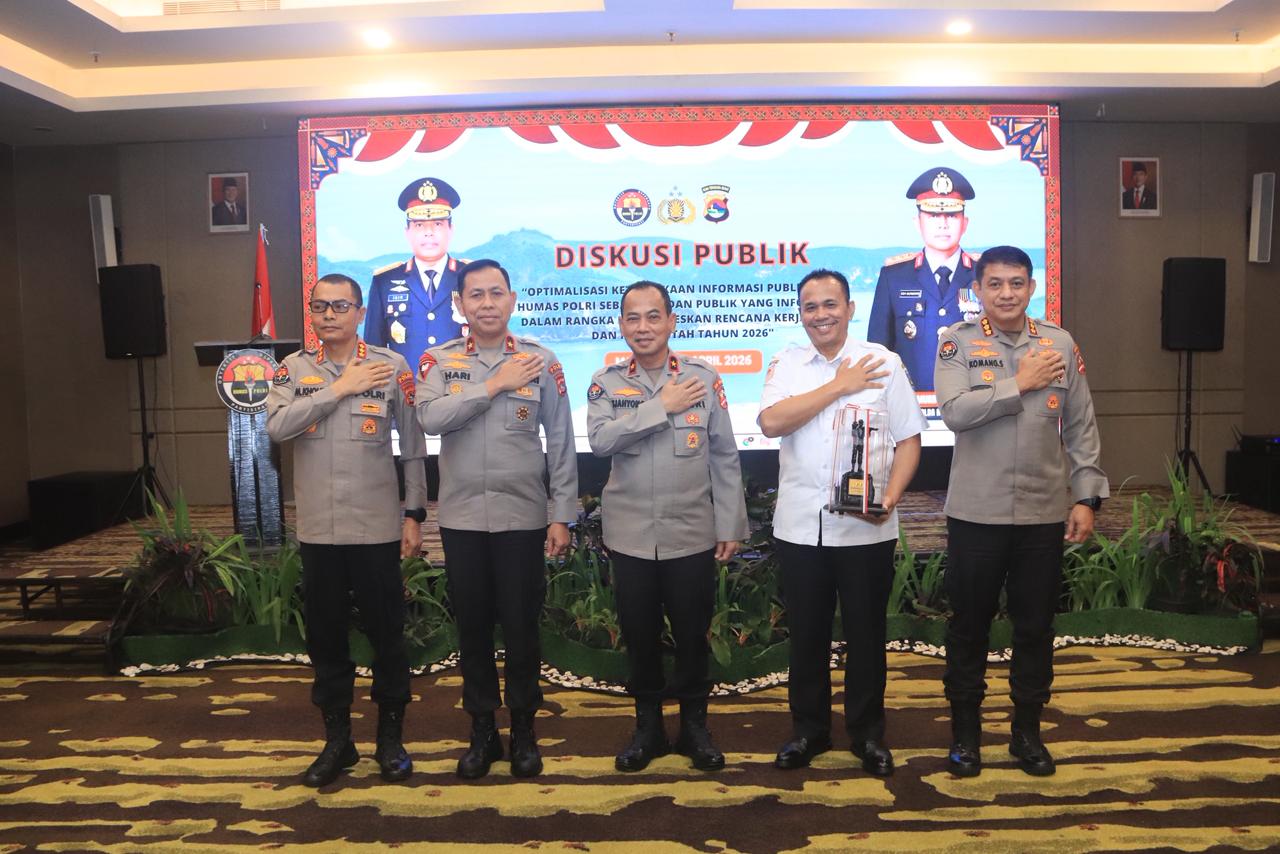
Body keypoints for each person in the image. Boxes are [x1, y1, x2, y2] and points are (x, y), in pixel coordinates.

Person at [934, 245, 1108, 778]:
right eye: (995, 284)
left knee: (1035, 627)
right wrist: (1021, 384)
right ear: (978, 290)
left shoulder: (1059, 343)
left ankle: (1027, 734)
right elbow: (955, 412)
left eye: (1016, 283)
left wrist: (1086, 496)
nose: (1006, 293)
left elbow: (1080, 425)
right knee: (969, 627)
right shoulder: (957, 342)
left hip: (1041, 512)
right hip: (976, 514)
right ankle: (965, 735)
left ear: (1032, 287)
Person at [758, 269, 927, 777]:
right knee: (806, 636)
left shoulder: (883, 362)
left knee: (866, 636)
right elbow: (771, 422)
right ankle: (808, 731)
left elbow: (909, 440)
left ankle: (867, 734)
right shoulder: (787, 363)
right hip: (800, 527)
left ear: (850, 309)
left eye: (830, 304)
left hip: (865, 529)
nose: (821, 315)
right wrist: (839, 386)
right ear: (801, 314)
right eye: (810, 307)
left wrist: (891, 497)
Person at [416, 258, 577, 780]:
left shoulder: (541, 361)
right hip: (462, 519)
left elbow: (561, 443)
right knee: (474, 629)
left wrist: (561, 514)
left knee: (522, 628)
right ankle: (483, 730)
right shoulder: (438, 361)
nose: (486, 303)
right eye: (475, 295)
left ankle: (524, 729)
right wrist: (492, 386)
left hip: (522, 518)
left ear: (512, 300)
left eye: (495, 293)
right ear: (459, 304)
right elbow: (429, 417)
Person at [265, 272, 426, 788]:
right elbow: (277, 427)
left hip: (376, 529)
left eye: (340, 306)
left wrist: (414, 514)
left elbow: (413, 447)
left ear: (359, 312)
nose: (329, 315)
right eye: (320, 307)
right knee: (326, 640)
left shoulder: (391, 366)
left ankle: (390, 740)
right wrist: (338, 390)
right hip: (320, 532)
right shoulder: (293, 369)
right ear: (311, 313)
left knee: (387, 638)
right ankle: (338, 742)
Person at [587, 280, 749, 773]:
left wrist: (730, 523)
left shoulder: (702, 379)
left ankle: (695, 728)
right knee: (639, 635)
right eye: (633, 318)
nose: (643, 327)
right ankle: (648, 729)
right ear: (621, 324)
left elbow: (724, 456)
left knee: (692, 634)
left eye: (653, 316)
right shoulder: (606, 383)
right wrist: (661, 407)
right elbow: (600, 441)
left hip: (691, 531)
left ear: (671, 321)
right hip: (631, 535)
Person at [867, 167, 981, 391]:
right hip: (909, 404)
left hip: (974, 405)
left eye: (951, 215)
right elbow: (878, 352)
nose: (943, 224)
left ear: (965, 223)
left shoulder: (986, 275)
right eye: (933, 215)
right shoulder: (894, 278)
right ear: (917, 222)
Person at [366, 177, 466, 364]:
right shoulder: (384, 282)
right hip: (405, 382)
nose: (429, 232)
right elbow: (374, 352)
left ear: (451, 229)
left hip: (461, 381)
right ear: (407, 232)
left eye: (438, 224)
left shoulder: (471, 277)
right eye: (419, 225)